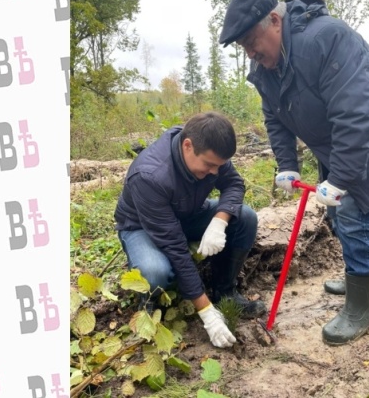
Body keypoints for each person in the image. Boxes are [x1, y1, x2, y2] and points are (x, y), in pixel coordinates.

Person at [219, 0, 369, 346]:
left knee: (354, 212)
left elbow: (356, 116)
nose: (249, 53)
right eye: (243, 47)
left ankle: (361, 309)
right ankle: (366, 285)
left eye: (250, 42)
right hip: (341, 141)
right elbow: (274, 116)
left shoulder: (327, 39)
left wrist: (340, 179)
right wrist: (288, 165)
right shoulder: (267, 65)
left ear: (275, 20)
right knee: (337, 213)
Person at [113, 111, 266, 349]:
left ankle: (224, 292)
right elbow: (175, 247)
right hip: (141, 226)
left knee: (245, 216)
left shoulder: (209, 147)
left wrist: (219, 222)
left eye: (219, 166)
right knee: (154, 272)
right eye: (209, 165)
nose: (215, 172)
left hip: (187, 212)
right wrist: (206, 313)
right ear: (187, 146)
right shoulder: (150, 176)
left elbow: (234, 183)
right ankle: (149, 301)